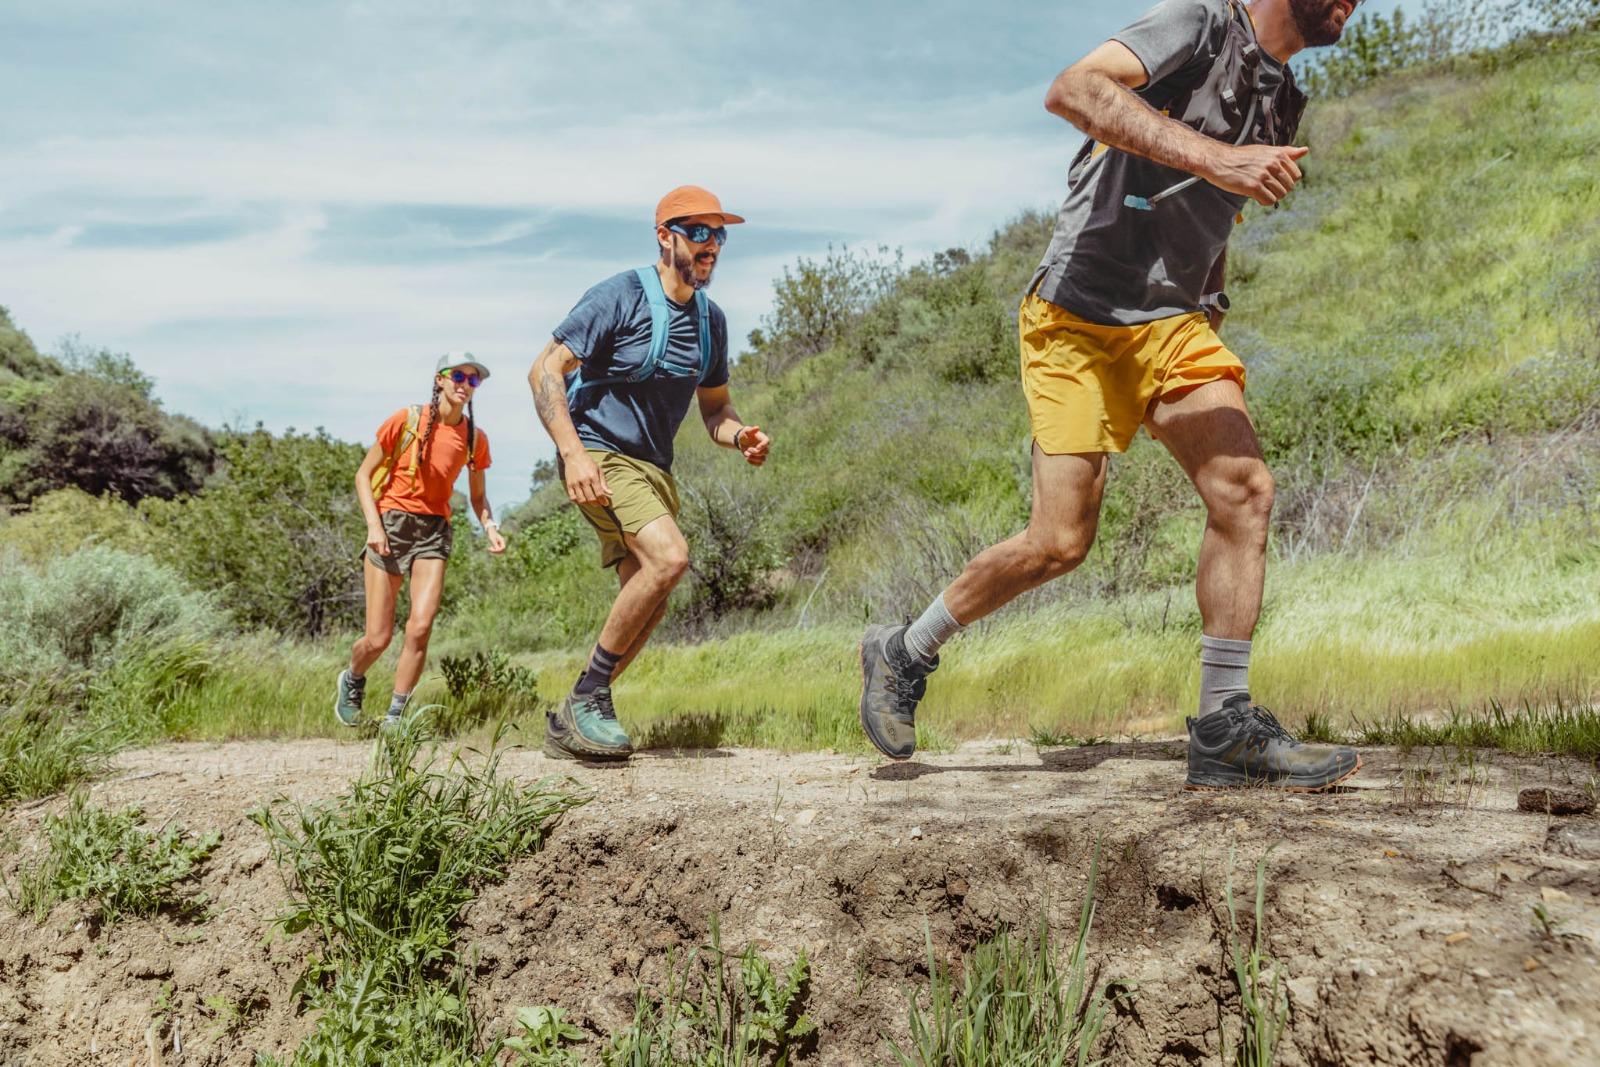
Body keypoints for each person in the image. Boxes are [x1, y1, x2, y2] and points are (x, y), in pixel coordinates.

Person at [858, 0, 1364, 790]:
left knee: (1245, 490)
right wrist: (1219, 159)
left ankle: (1223, 727)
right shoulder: (1199, 22)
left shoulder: (1284, 97)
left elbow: (1215, 214)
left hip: (1173, 321)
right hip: (1078, 313)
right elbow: (1074, 89)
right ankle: (903, 650)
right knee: (1059, 541)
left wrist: (1211, 298)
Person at [528, 185, 771, 761]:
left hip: (653, 468)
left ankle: (572, 718)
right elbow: (544, 370)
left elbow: (715, 409)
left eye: (720, 235)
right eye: (699, 232)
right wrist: (573, 454)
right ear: (665, 237)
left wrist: (740, 435)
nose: (712, 245)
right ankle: (590, 698)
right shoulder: (619, 296)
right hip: (600, 453)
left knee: (651, 596)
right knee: (669, 557)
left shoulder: (711, 322)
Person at [335, 353, 506, 728]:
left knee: (421, 626)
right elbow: (363, 476)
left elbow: (478, 497)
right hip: (391, 526)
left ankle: (396, 717)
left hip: (433, 531)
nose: (465, 384)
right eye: (458, 376)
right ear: (439, 379)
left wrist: (490, 527)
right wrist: (374, 526)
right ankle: (352, 678)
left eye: (473, 380)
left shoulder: (474, 438)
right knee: (378, 638)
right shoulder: (407, 420)